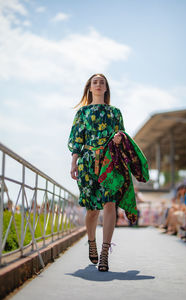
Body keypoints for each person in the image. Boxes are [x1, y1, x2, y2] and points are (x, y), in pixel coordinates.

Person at [68, 73, 125, 272]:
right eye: (95, 82)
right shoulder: (82, 113)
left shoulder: (115, 113)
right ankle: (91, 242)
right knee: (92, 210)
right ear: (90, 88)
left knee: (110, 204)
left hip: (110, 162)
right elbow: (77, 140)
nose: (99, 85)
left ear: (106, 88)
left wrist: (119, 137)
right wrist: (74, 163)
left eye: (102, 82)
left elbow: (123, 137)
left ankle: (104, 253)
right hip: (87, 163)